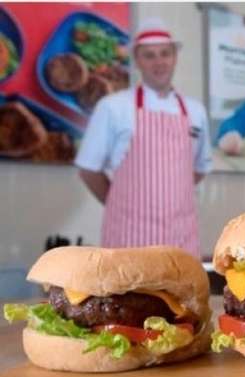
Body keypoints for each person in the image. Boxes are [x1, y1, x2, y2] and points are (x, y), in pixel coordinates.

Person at [75, 18, 212, 258]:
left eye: (165, 53)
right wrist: (118, 203)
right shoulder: (113, 107)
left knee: (182, 284)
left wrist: (170, 196)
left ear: (175, 57)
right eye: (149, 55)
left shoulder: (195, 111)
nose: (159, 62)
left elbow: (200, 168)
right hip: (129, 239)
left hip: (181, 239)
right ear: (137, 60)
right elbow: (88, 169)